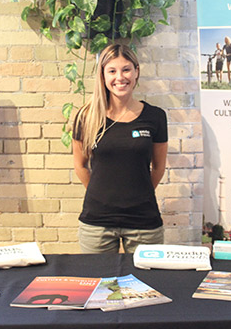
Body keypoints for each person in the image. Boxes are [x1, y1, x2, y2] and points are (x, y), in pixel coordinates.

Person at [72, 43, 168, 254]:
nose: (120, 77)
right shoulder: (86, 116)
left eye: (126, 70)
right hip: (97, 223)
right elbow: (80, 165)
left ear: (136, 72)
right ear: (103, 75)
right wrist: (101, 195)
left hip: (144, 221)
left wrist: (139, 194)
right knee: (98, 276)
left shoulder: (156, 117)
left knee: (148, 276)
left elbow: (158, 167)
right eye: (112, 71)